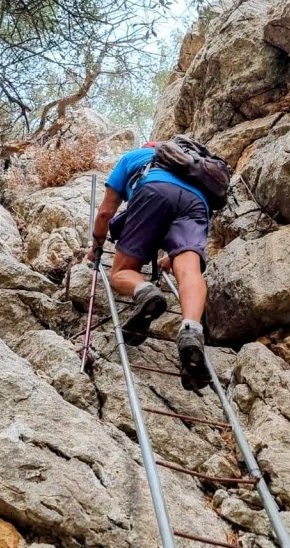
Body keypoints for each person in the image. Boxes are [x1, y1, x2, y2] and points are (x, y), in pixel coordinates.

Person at [87, 141, 212, 382]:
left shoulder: (134, 157)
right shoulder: (193, 167)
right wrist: (172, 256)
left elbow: (105, 212)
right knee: (189, 272)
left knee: (121, 272)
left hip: (153, 190)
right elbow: (182, 210)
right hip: (197, 203)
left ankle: (145, 292)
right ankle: (191, 330)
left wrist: (96, 246)